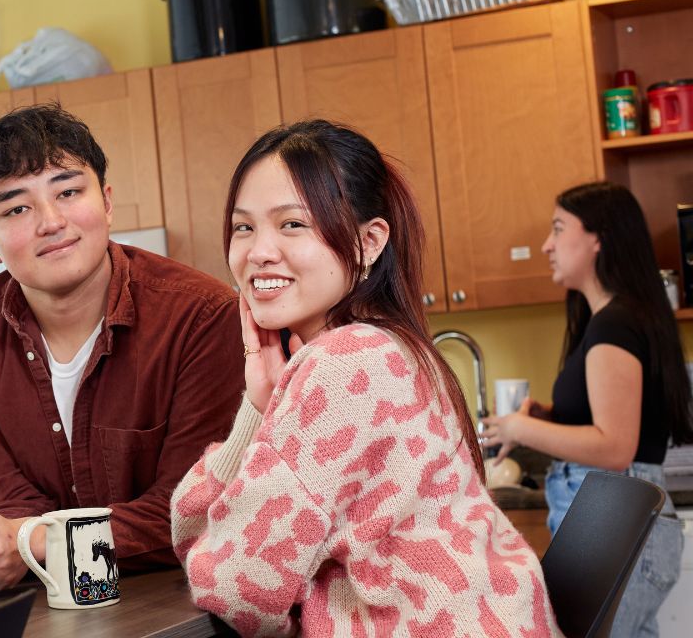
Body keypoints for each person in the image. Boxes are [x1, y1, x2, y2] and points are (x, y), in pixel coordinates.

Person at [171, 120, 560, 636]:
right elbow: (202, 540)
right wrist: (260, 405)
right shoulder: (391, 347)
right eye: (244, 227)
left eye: (292, 224)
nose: (258, 251)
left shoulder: (345, 363)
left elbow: (235, 583)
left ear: (369, 241)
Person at [0, 104, 244, 602]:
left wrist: (25, 541)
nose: (51, 222)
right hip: (44, 615)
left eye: (69, 192)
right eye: (16, 209)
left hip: (186, 610)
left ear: (107, 203)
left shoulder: (204, 316)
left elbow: (192, 510)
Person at [484, 181, 692, 636]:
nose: (547, 244)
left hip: (617, 517)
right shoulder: (614, 319)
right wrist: (552, 418)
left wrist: (521, 427)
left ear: (597, 239)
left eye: (558, 229)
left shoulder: (616, 324)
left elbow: (615, 447)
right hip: (617, 517)